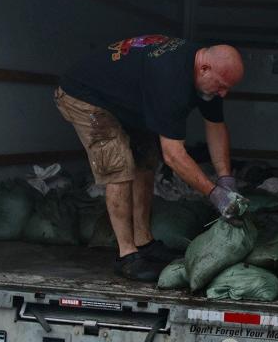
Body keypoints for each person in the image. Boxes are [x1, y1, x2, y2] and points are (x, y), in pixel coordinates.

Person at [54, 36, 245, 281]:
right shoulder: (172, 80)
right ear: (204, 69)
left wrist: (225, 177)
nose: (224, 93)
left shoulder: (205, 78)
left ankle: (143, 242)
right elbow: (174, 156)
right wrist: (214, 194)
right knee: (119, 165)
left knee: (146, 162)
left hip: (127, 104)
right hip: (84, 96)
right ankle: (127, 256)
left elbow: (216, 126)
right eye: (221, 86)